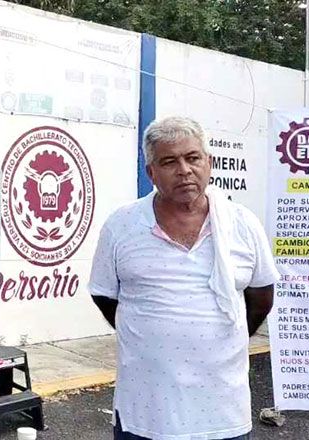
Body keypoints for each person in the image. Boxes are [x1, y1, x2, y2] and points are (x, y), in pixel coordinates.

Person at [89, 116, 279, 440]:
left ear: (209, 163)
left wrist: (223, 338)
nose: (184, 170)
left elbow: (261, 297)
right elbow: (104, 295)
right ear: (151, 172)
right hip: (146, 410)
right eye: (169, 162)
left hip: (223, 410)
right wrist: (149, 336)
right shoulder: (121, 225)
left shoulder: (242, 224)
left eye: (193, 158)